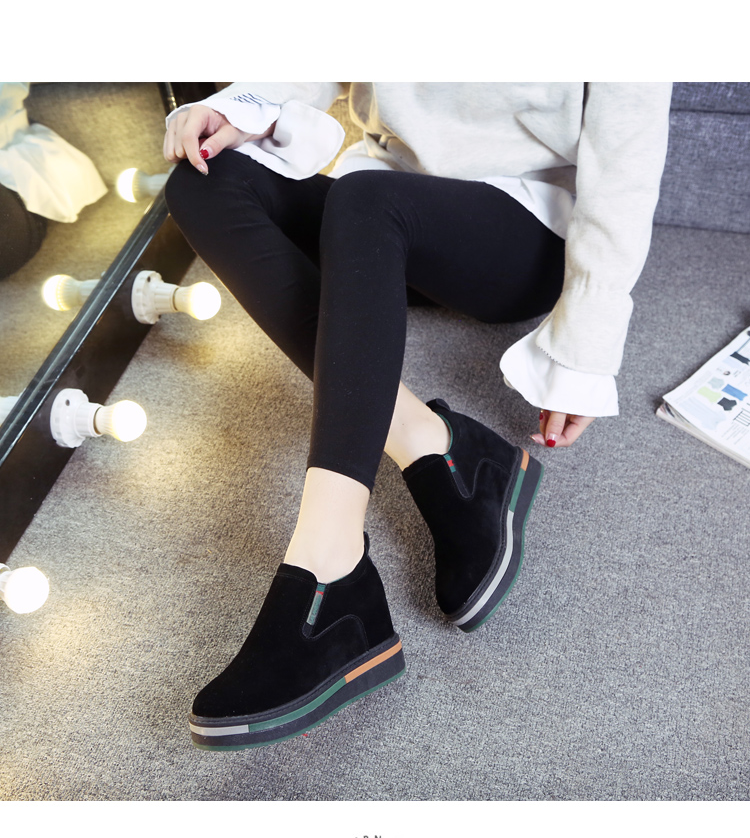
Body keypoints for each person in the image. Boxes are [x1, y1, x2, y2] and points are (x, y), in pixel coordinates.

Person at [163, 82, 672, 750]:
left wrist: (585, 346)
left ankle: (329, 563)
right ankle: (434, 444)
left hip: (522, 223)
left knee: (367, 200)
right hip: (377, 206)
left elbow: (628, 153)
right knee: (204, 178)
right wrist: (238, 108)